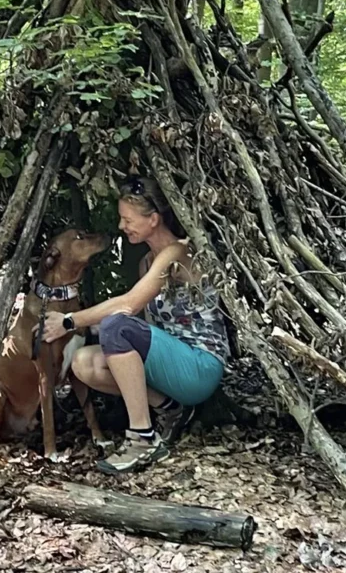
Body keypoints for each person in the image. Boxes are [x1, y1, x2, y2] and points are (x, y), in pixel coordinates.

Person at [40, 177, 230, 474]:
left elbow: (129, 305)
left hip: (199, 366)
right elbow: (144, 330)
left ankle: (143, 438)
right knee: (83, 362)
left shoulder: (177, 252)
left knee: (117, 325)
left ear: (153, 219)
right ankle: (170, 409)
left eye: (127, 219)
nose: (120, 226)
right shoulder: (146, 263)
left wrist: (69, 321)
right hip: (172, 364)